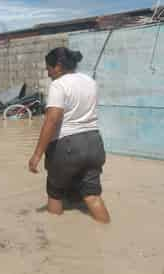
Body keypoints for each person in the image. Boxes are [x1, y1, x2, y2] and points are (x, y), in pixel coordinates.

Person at [28, 47, 110, 224]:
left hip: (68, 145)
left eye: (48, 67)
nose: (48, 72)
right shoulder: (90, 81)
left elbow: (52, 120)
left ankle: (54, 238)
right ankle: (106, 228)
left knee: (55, 193)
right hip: (94, 142)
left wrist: (37, 155)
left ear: (58, 66)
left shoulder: (59, 85)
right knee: (92, 195)